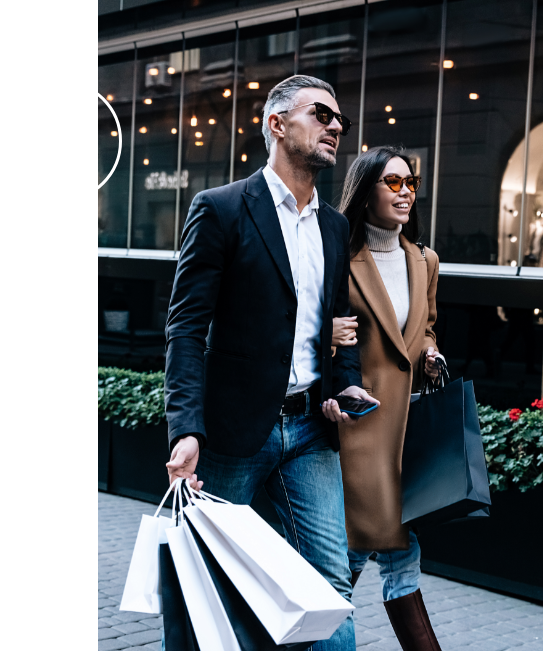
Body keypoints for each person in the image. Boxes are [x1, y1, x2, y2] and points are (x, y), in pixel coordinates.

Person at [163, 74, 378, 651]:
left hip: (310, 429)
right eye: (322, 115)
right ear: (277, 124)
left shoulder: (333, 225)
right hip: (234, 432)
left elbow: (340, 324)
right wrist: (186, 428)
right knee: (205, 579)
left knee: (328, 582)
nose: (336, 126)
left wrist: (346, 384)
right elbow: (185, 326)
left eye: (341, 121)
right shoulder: (222, 209)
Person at [329, 145, 445, 650]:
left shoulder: (424, 260)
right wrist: (327, 337)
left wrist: (433, 353)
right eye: (392, 183)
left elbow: (426, 329)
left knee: (393, 549)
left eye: (410, 184)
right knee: (362, 549)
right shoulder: (339, 256)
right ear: (365, 190)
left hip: (408, 428)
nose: (405, 193)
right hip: (358, 429)